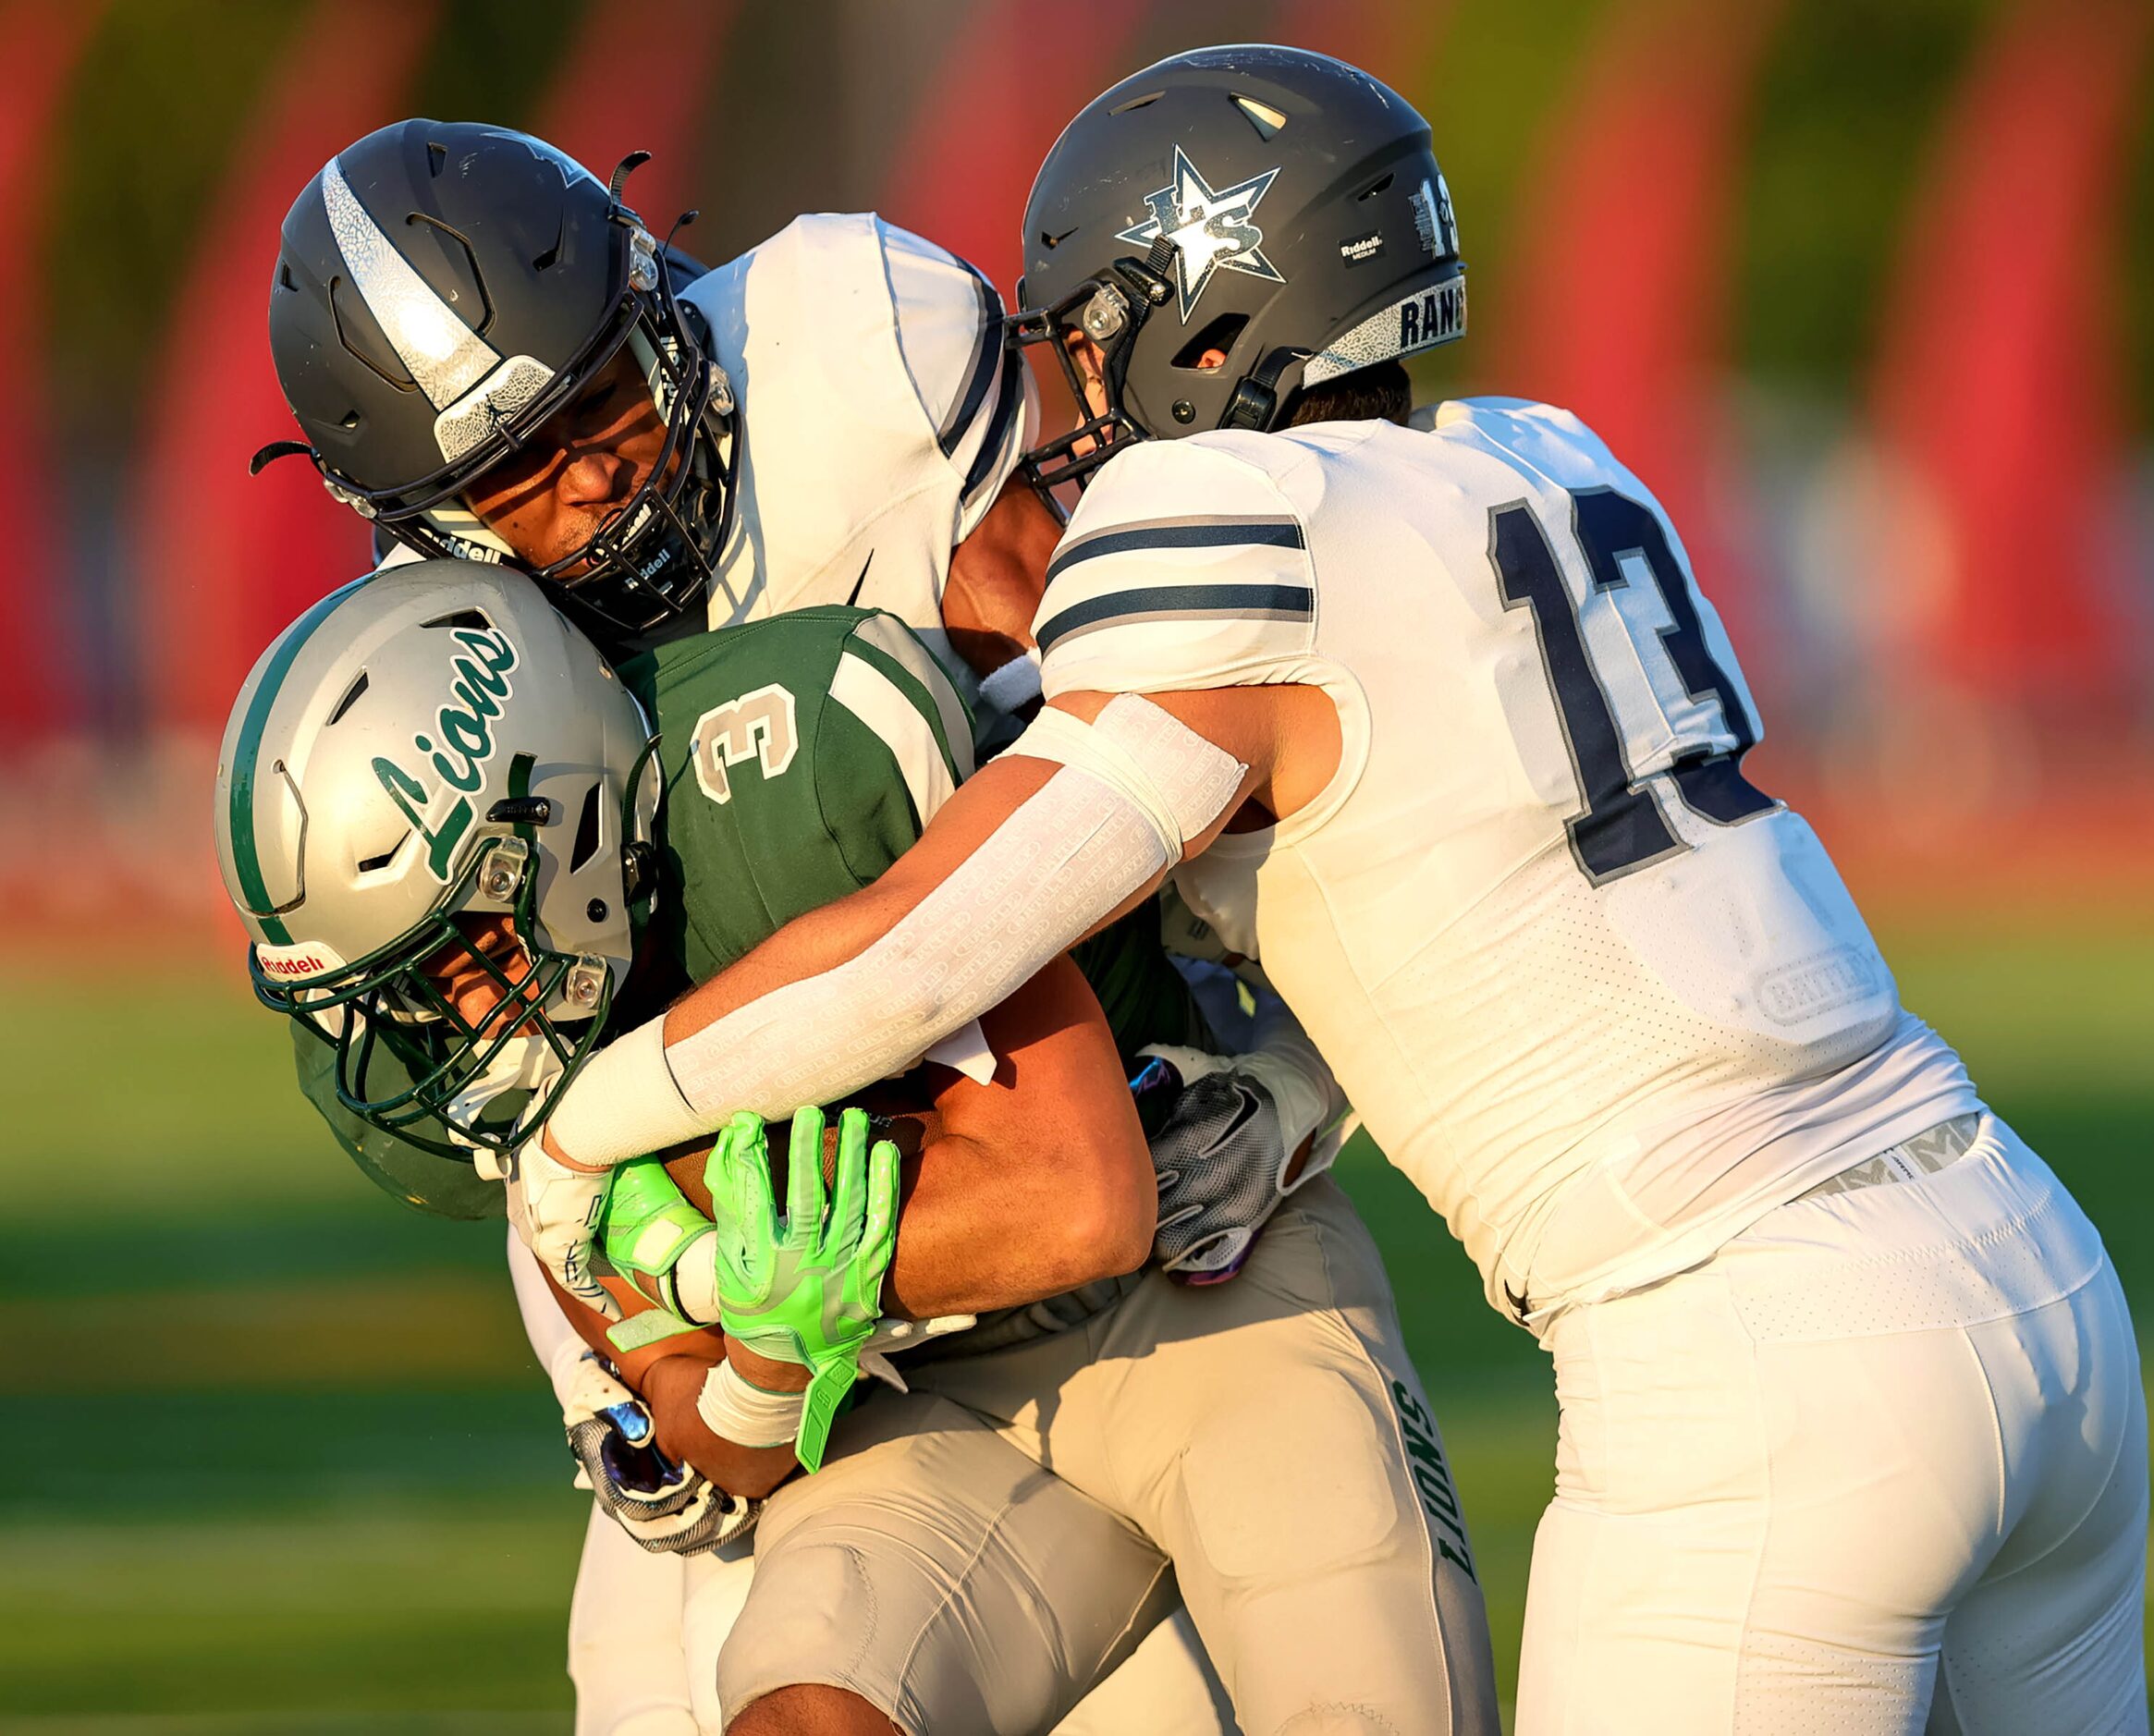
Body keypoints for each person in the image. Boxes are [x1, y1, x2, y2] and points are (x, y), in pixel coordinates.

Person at [511, 44, 2149, 1735]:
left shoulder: (1227, 513)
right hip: (2020, 1253)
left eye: (1087, 336)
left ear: (1203, 324)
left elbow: (926, 945)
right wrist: (1290, 1094)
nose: (1071, 403)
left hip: (1749, 1340)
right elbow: (1468, 901)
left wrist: (584, 1134)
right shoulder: (1555, 460)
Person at [258, 119, 1372, 1730]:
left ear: (660, 303)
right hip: (730, 1219)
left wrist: (1283, 1060)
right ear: (422, 520)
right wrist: (655, 1360)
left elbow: (1133, 751)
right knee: (668, 1676)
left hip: (1050, 1111)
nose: (587, 479)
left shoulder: (854, 355)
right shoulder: (458, 660)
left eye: (601, 402)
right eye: (513, 476)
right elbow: (524, 1079)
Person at [212, 559, 1500, 1734]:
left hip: (1197, 1291)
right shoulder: (519, 1098)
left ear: (562, 827)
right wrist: (762, 1365)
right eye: (423, 984)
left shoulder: (801, 791)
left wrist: (741, 1260)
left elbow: (1080, 1198)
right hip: (925, 1411)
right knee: (804, 1715)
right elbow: (697, 1417)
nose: (471, 1015)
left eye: (473, 947)